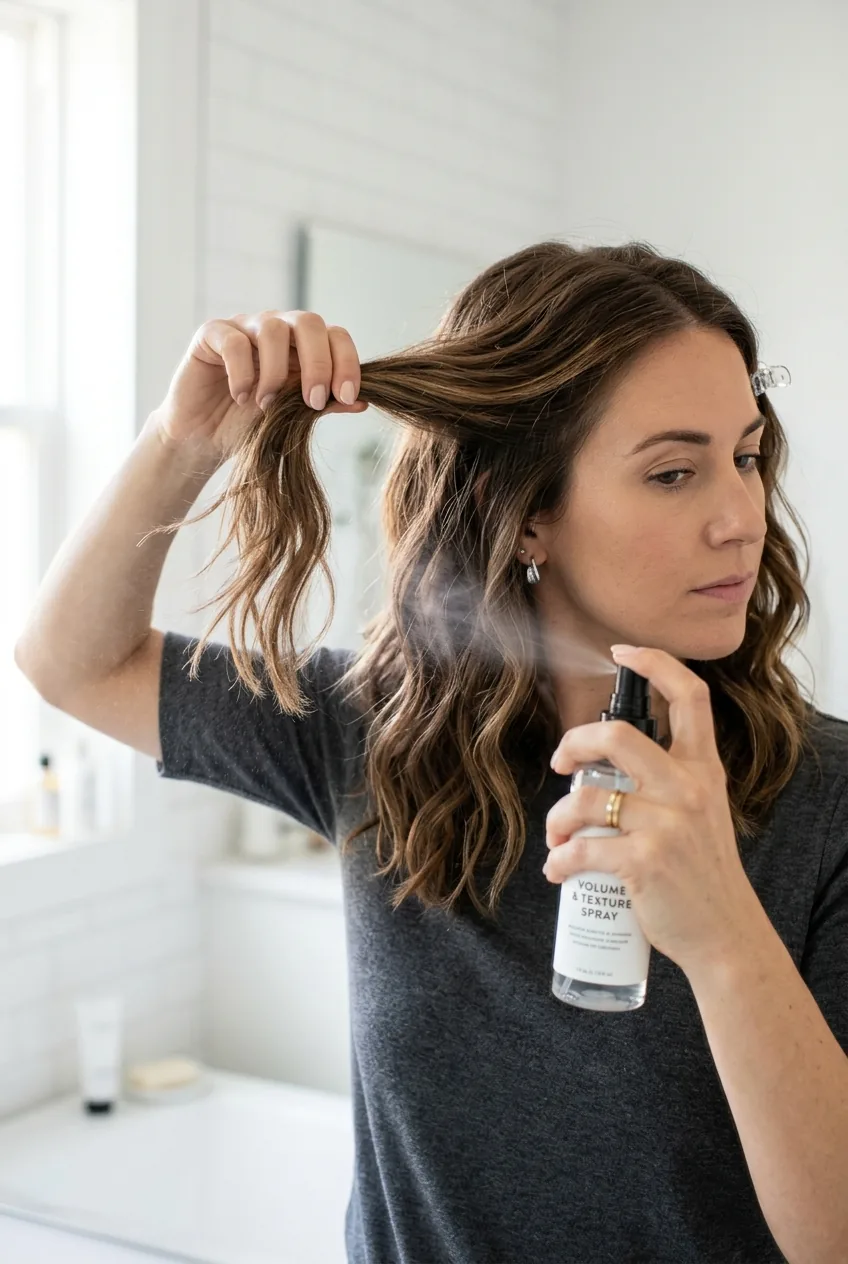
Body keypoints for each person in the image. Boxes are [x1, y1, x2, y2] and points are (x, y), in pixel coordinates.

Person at [15, 240, 848, 1264]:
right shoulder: (374, 734)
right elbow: (72, 662)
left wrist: (722, 933)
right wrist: (182, 440)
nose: (738, 517)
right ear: (527, 515)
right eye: (673, 471)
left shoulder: (828, 801)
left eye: (745, 454)